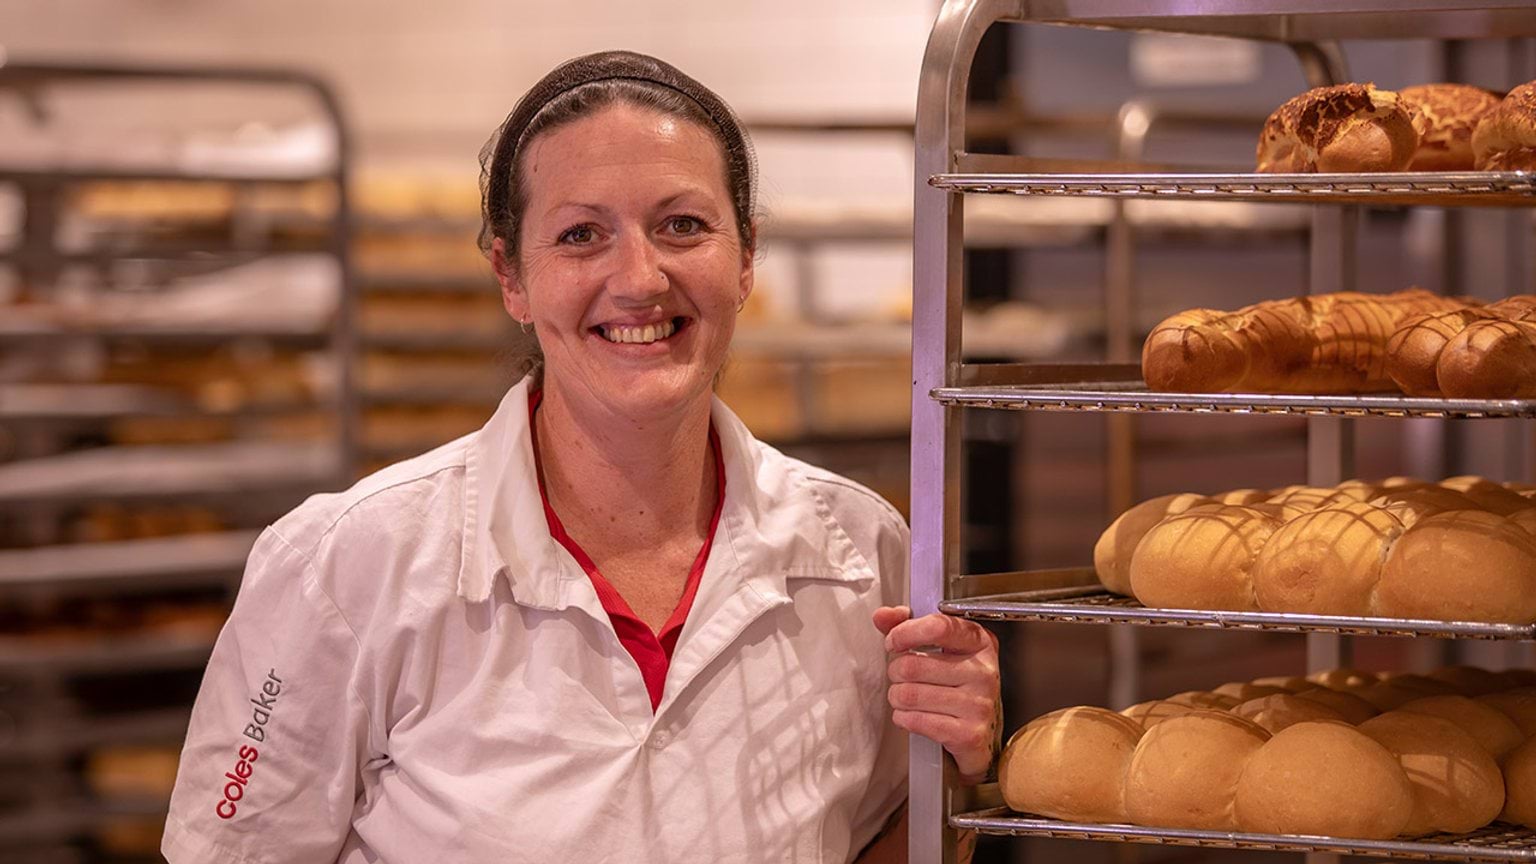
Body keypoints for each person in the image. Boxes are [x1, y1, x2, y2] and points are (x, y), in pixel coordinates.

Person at [161, 50, 999, 864]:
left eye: (682, 225)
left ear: (746, 256)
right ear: (510, 276)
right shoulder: (349, 564)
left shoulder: (859, 554)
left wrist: (959, 778)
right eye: (580, 234)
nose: (638, 278)